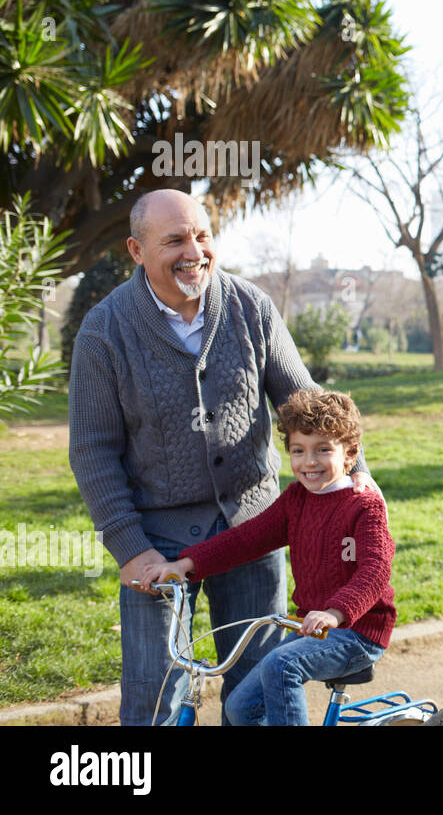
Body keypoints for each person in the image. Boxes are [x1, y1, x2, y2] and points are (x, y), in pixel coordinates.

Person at [68, 188, 379, 725]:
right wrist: (128, 547)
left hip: (254, 523)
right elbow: (92, 451)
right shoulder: (104, 330)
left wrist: (358, 475)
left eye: (202, 235)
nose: (195, 251)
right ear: (137, 250)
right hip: (156, 539)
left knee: (256, 693)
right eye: (174, 240)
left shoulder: (249, 305)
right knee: (152, 699)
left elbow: (305, 403)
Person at [140, 389, 395, 725]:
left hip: (357, 632)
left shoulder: (364, 505)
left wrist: (335, 613)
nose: (309, 462)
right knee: (239, 708)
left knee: (281, 665)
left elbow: (375, 571)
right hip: (310, 628)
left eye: (323, 450)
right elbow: (247, 538)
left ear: (350, 454)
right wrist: (184, 565)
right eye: (298, 451)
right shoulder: (297, 500)